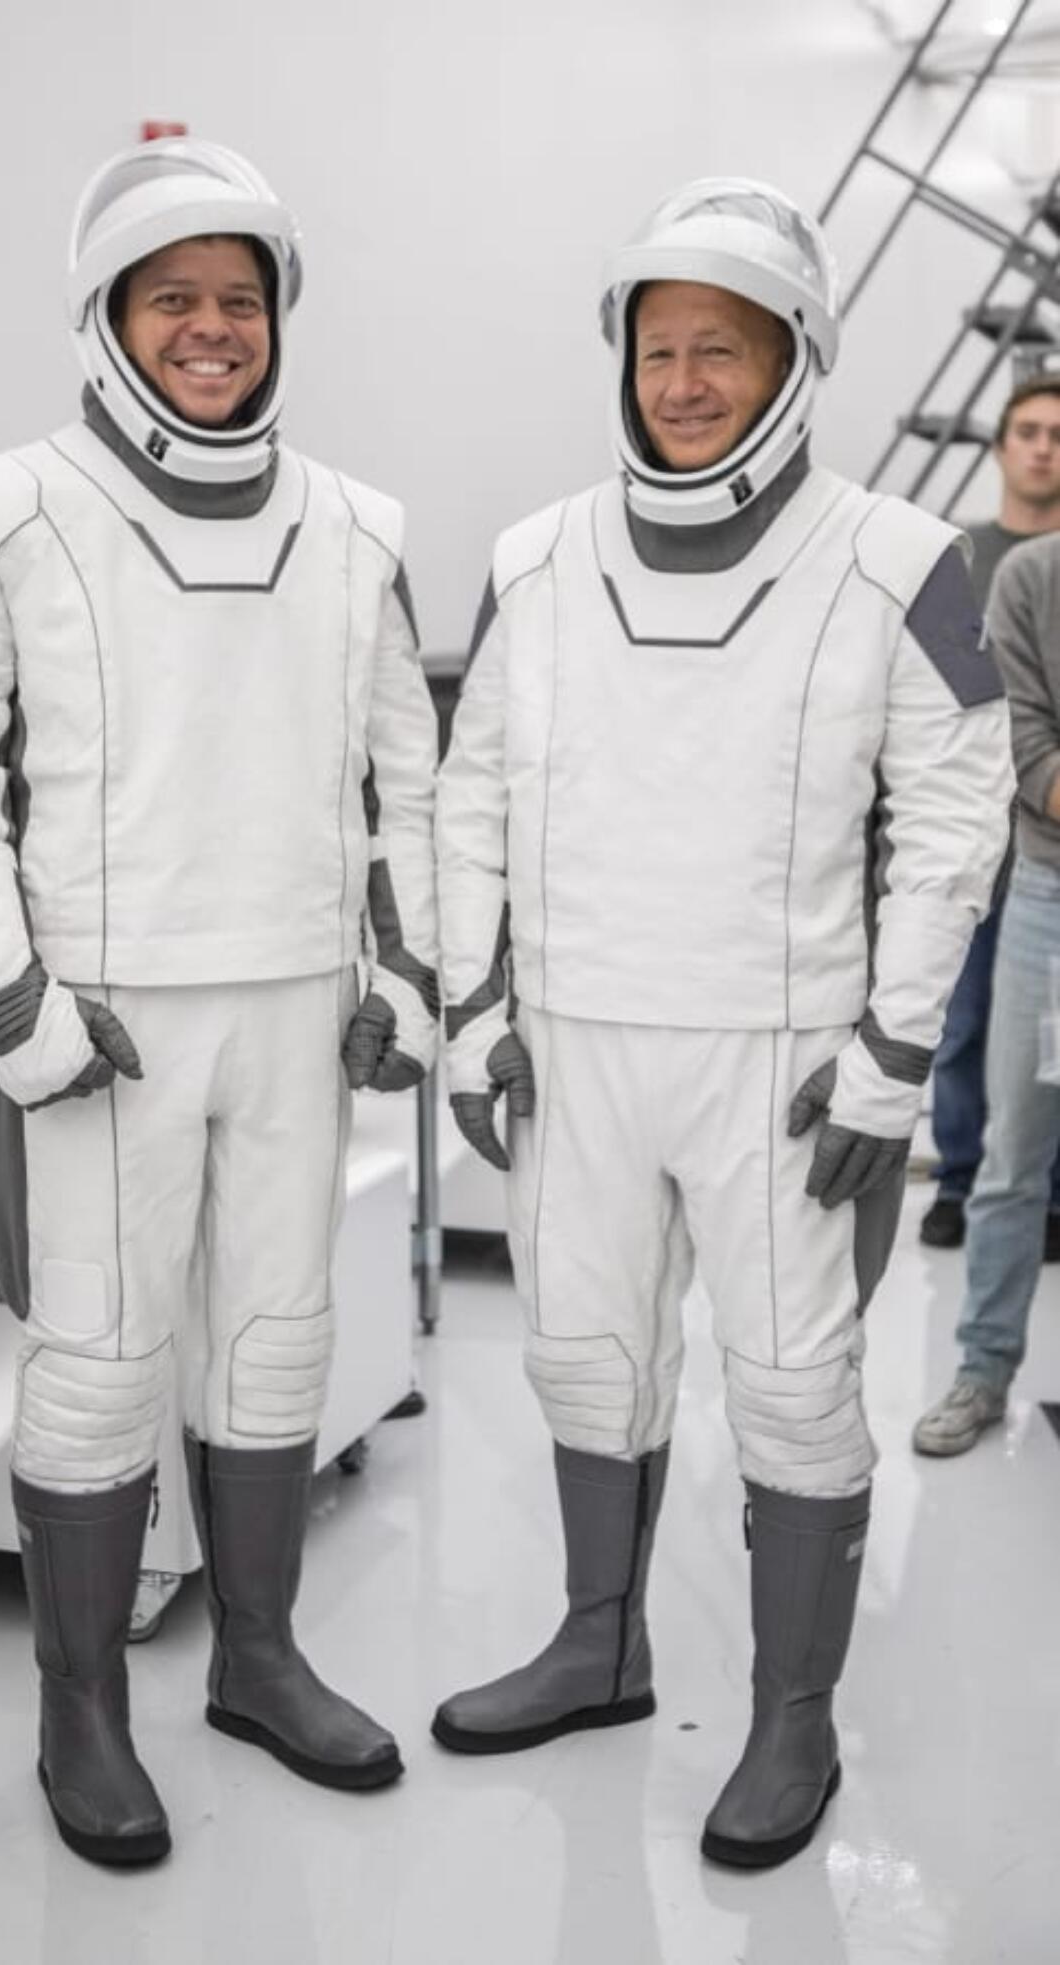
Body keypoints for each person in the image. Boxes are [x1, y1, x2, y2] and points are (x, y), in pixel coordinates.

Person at [0, 137, 439, 1866]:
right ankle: (83, 1718)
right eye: (172, 299)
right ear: (106, 316)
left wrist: (402, 973)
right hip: (98, 1029)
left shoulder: (357, 526)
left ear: (279, 320)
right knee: (100, 1371)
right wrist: (17, 999)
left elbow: (407, 777)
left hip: (295, 1009)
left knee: (279, 1349)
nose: (211, 329)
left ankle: (257, 1659)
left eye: (239, 300)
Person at [433, 178, 1012, 1870]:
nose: (683, 382)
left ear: (796, 366)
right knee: (579, 1358)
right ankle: (599, 1640)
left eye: (724, 354)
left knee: (794, 1389)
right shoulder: (536, 556)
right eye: (660, 348)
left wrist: (898, 1051)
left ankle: (789, 1721)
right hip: (578, 1039)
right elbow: (474, 797)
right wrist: (475, 1005)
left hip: (787, 1061)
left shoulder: (902, 562)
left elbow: (957, 815)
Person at [913, 525, 1060, 1456]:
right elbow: (1019, 732)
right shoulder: (1032, 575)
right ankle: (982, 1371)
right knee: (1013, 1155)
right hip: (1049, 896)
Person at [921, 377, 1060, 1253]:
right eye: (1029, 431)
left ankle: (1045, 1194)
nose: (1044, 446)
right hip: (975, 835)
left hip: (1047, 835)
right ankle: (960, 1179)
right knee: (964, 1022)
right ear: (1001, 446)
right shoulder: (960, 558)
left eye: (1058, 433)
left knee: (1048, 1037)